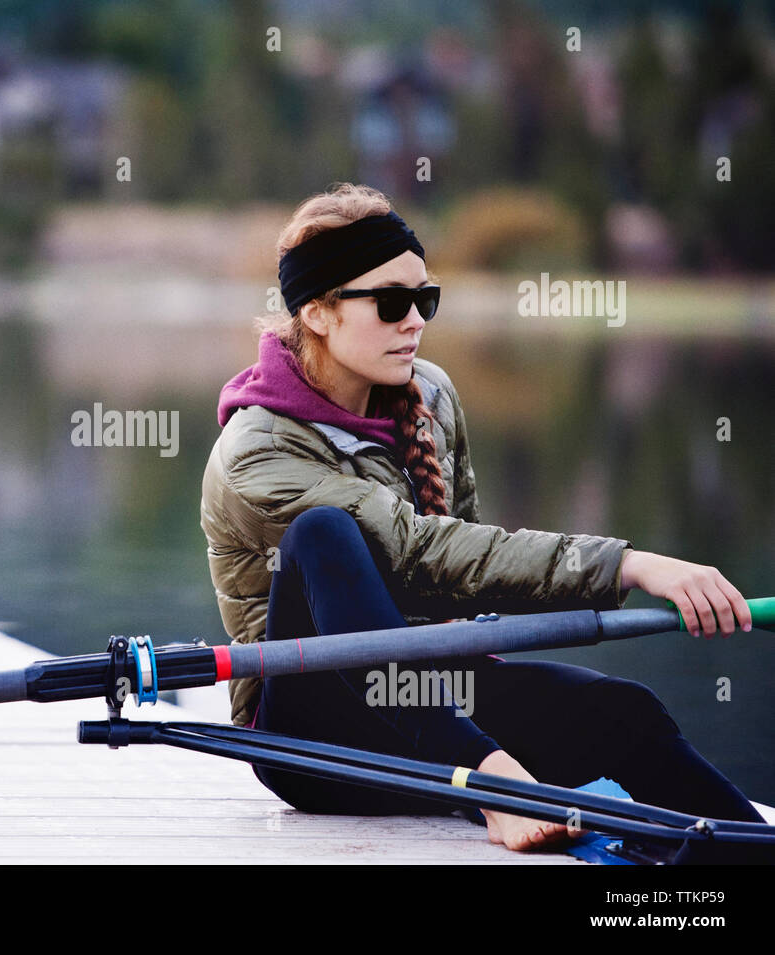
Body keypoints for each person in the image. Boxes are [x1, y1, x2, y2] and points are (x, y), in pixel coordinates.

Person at [199, 182, 765, 852]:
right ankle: (494, 783)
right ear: (318, 312)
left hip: (431, 700)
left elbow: (462, 569)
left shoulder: (430, 394)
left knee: (625, 712)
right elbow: (419, 551)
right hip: (317, 740)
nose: (415, 320)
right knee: (323, 532)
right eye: (391, 303)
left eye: (424, 299)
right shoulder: (257, 447)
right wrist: (629, 563)